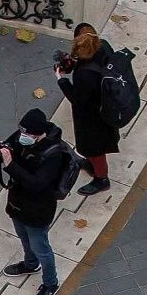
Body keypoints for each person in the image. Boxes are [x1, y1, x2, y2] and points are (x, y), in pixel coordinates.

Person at [0, 109, 73, 295]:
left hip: (38, 209)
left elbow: (37, 184)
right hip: (18, 203)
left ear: (39, 133)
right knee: (23, 236)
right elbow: (3, 154)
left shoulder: (53, 154)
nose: (22, 137)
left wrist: (10, 165)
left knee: (40, 246)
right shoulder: (22, 136)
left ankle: (50, 283)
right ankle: (30, 264)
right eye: (22, 132)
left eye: (27, 134)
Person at [56, 24, 120, 197]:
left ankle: (101, 178)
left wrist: (61, 79)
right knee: (95, 146)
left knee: (94, 148)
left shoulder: (85, 74)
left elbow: (78, 100)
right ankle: (94, 165)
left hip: (92, 117)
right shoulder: (103, 45)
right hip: (105, 107)